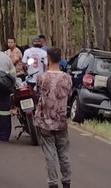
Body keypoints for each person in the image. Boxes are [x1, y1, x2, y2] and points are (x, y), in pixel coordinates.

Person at [35, 46, 74, 188]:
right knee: (63, 153)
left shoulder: (41, 77)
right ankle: (66, 181)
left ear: (48, 59)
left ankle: (52, 182)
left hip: (45, 121)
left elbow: (38, 92)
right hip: (61, 120)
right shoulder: (67, 78)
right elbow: (68, 95)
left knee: (49, 154)